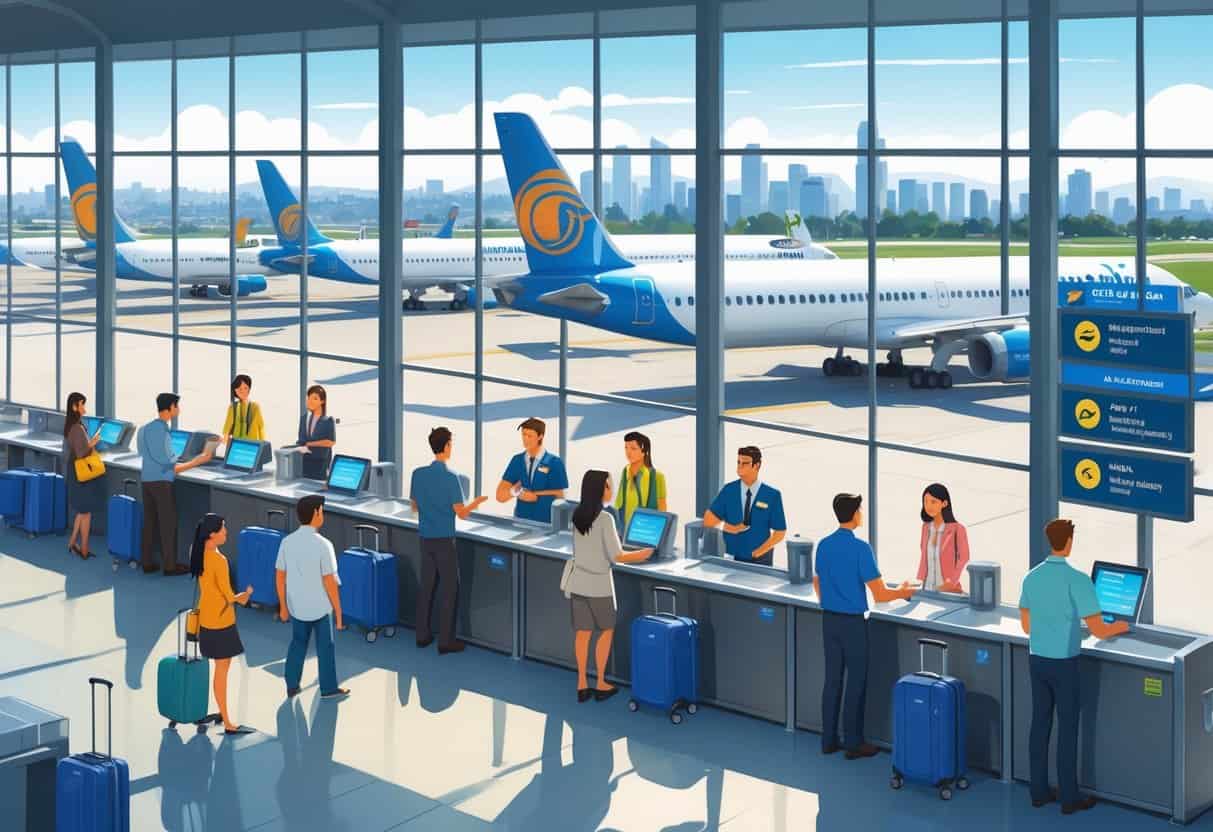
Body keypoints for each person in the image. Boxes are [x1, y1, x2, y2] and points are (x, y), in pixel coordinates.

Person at [1019, 519, 1128, 815]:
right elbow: (1099, 630)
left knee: (1040, 724)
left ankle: (1038, 792)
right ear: (1068, 542)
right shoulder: (1078, 580)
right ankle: (1069, 798)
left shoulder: (1031, 577)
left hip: (1037, 659)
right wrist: (1121, 625)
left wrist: (1054, 622)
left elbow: (1027, 626)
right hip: (1065, 664)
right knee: (1068, 729)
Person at [814, 493, 916, 759]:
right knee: (856, 682)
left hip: (829, 620)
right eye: (860, 510)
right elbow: (880, 594)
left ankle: (828, 740)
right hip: (852, 624)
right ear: (855, 514)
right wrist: (903, 592)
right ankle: (853, 743)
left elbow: (817, 582)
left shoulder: (824, 545)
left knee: (832, 680)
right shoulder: (861, 549)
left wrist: (829, 600)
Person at [565, 470, 653, 702]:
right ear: (600, 490)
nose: (612, 490)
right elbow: (617, 556)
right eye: (609, 486)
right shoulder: (605, 519)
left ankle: (582, 683)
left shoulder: (576, 515)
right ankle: (601, 682)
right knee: (606, 631)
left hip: (578, 583)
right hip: (599, 586)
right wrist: (644, 554)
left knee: (582, 633)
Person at [410, 427, 487, 655]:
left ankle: (422, 635)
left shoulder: (417, 474)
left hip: (425, 539)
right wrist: (476, 502)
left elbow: (414, 507)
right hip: (444, 541)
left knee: (426, 588)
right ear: (446, 446)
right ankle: (446, 641)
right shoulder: (451, 477)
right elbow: (461, 513)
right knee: (449, 589)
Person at [275, 495, 350, 700]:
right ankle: (328, 688)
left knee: (297, 643)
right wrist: (339, 614)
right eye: (322, 511)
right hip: (320, 607)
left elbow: (280, 576)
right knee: (325, 647)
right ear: (316, 514)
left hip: (296, 605)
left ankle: (292, 685)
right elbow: (330, 583)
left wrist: (282, 606)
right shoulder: (324, 545)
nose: (322, 514)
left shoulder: (287, 542)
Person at [190, 513, 255, 735]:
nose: (226, 532)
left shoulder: (196, 552)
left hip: (206, 619)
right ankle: (227, 721)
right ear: (212, 533)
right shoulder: (219, 560)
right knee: (222, 671)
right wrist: (245, 596)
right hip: (221, 621)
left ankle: (222, 712)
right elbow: (228, 596)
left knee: (218, 669)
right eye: (223, 528)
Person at [137, 393, 213, 575]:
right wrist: (198, 461)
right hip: (161, 484)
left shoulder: (144, 429)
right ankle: (170, 566)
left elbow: (145, 454)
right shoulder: (163, 432)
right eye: (177, 406)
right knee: (168, 524)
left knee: (149, 523)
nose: (179, 409)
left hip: (146, 481)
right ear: (170, 408)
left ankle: (147, 563)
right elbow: (171, 468)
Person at [703, 446, 786, 565]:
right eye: (738, 462)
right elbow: (708, 520)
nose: (740, 466)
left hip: (761, 561)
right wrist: (728, 528)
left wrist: (758, 553)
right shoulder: (729, 490)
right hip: (731, 558)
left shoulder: (772, 495)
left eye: (745, 463)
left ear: (756, 465)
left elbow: (780, 531)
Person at [495, 417, 568, 524]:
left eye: (530, 436)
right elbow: (500, 496)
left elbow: (560, 495)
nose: (525, 439)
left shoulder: (554, 462)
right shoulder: (517, 460)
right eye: (523, 435)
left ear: (540, 436)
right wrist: (514, 492)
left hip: (546, 523)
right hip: (520, 522)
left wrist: (535, 496)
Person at [63, 392, 104, 560]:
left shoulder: (70, 426)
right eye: (82, 405)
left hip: (74, 472)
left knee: (82, 510)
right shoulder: (77, 428)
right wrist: (93, 443)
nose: (84, 410)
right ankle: (84, 549)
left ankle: (72, 543)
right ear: (75, 407)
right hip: (81, 474)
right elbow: (82, 453)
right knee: (86, 512)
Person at [916, 483, 970, 593]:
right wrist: (919, 580)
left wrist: (951, 582)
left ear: (944, 503)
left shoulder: (958, 529)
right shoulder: (926, 527)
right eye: (925, 501)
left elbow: (964, 558)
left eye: (933, 502)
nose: (928, 506)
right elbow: (923, 554)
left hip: (948, 589)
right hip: (927, 588)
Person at [614, 431, 667, 530]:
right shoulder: (625, 471)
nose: (628, 452)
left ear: (644, 451)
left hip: (645, 529)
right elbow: (619, 502)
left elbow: (662, 508)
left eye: (633, 448)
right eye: (626, 447)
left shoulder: (657, 476)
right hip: (624, 529)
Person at [296, 385, 336, 481]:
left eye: (314, 398)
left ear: (322, 401)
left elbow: (330, 442)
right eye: (308, 398)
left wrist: (310, 444)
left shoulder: (328, 420)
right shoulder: (304, 418)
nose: (310, 401)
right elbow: (301, 440)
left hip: (320, 465)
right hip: (304, 464)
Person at [221, 374, 264, 444]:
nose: (243, 391)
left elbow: (261, 427)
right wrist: (225, 440)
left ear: (249, 388)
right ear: (235, 391)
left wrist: (262, 444)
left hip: (252, 444)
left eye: (245, 388)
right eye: (239, 389)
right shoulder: (233, 407)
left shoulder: (255, 407)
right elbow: (227, 427)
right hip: (237, 444)